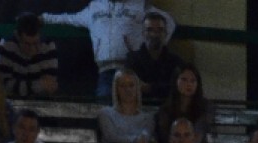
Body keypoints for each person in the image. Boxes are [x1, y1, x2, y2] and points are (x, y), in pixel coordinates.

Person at [41, 1, 175, 99]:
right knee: (104, 109)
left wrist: (152, 49)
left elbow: (169, 21)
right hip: (105, 71)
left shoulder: (139, 5)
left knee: (131, 110)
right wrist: (44, 18)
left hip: (132, 70)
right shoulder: (95, 6)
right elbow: (69, 19)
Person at [97, 68, 159, 143]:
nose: (128, 90)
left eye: (131, 85)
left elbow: (145, 136)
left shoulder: (147, 117)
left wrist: (141, 141)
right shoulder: (106, 114)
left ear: (137, 88)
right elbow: (112, 137)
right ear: (116, 89)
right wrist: (135, 140)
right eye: (123, 86)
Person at [0, 11, 59, 100]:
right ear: (17, 37)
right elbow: (2, 84)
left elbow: (50, 85)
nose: (32, 49)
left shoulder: (48, 45)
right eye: (27, 44)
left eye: (36, 43)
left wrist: (20, 86)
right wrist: (37, 86)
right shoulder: (7, 45)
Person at [126, 8, 182, 102]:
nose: (154, 34)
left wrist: (149, 88)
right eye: (149, 30)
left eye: (160, 30)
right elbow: (129, 87)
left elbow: (177, 88)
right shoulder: (131, 59)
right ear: (143, 34)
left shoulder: (176, 62)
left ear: (166, 33)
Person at [155, 63, 210, 143]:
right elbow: (164, 136)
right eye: (184, 80)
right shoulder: (165, 109)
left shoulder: (205, 106)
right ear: (176, 81)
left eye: (193, 81)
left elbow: (201, 128)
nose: (189, 84)